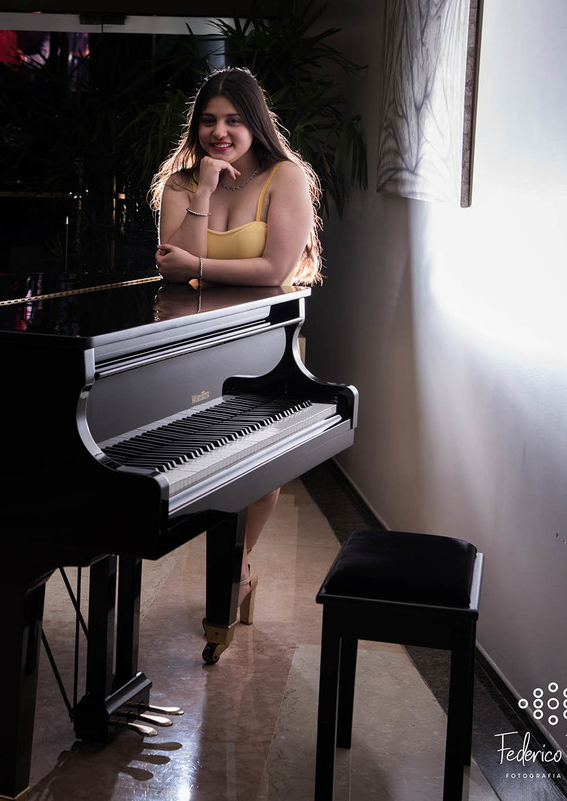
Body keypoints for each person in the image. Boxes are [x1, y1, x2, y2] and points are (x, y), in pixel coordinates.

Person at [149, 67, 325, 625]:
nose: (219, 132)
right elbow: (173, 273)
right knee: (189, 460)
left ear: (255, 123)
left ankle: (239, 562)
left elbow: (275, 269)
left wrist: (197, 265)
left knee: (259, 470)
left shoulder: (285, 177)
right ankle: (234, 567)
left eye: (232, 120)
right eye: (208, 121)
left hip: (260, 342)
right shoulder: (180, 184)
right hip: (189, 342)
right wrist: (203, 190)